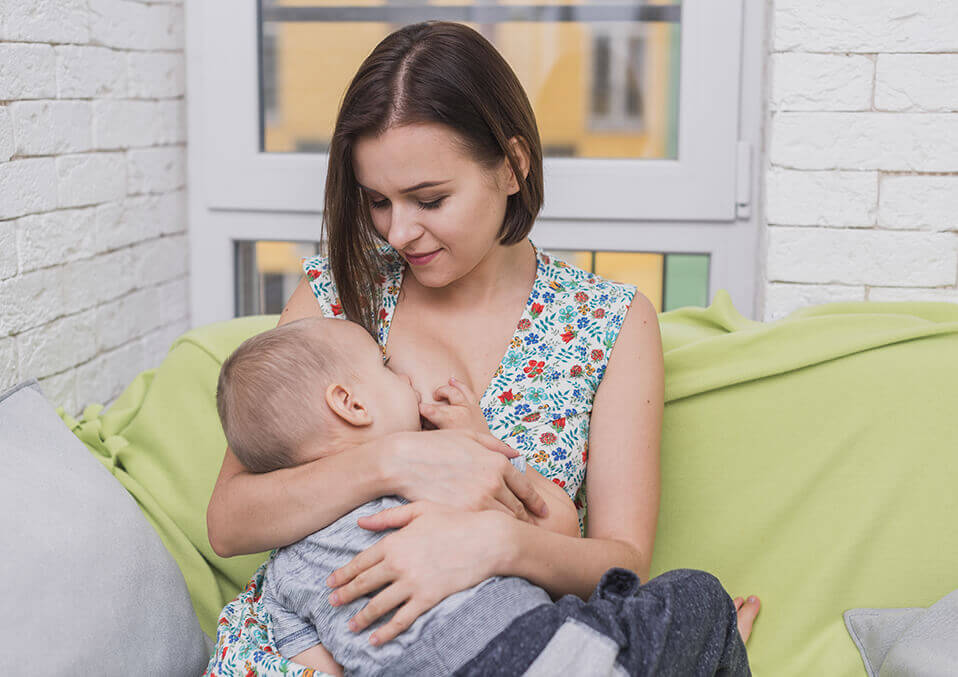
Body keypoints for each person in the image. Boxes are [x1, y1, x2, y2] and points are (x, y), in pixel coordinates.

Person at [205, 19, 761, 677]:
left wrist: (493, 542)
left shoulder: (609, 323)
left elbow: (623, 559)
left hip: (507, 650)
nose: (399, 230)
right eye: (378, 201)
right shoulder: (337, 295)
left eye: (429, 198)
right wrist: (394, 459)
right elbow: (229, 521)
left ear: (513, 166)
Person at [212, 316, 750, 676]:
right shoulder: (435, 480)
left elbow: (315, 662)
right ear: (351, 404)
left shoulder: (285, 572)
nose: (403, 376)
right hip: (537, 651)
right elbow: (556, 524)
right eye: (385, 367)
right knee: (698, 594)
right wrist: (479, 440)